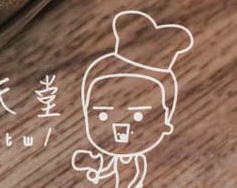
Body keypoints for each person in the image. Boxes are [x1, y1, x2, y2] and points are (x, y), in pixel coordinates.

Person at [71, 10, 194, 188]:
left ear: (165, 123)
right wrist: (95, 170)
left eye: (138, 116)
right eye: (103, 115)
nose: (121, 128)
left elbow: (132, 177)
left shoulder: (135, 161)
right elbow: (109, 170)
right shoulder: (118, 155)